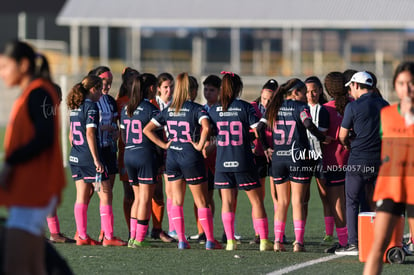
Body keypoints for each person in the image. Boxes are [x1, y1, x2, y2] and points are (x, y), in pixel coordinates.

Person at [0, 40, 66, 274]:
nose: (1, 72)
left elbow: (44, 137)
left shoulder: (38, 92)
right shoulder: (35, 91)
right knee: (34, 266)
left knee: (14, 266)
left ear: (24, 64)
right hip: (32, 189)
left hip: (34, 190)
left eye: (5, 66)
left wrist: (10, 162)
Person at [144, 72, 221, 250]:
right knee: (202, 201)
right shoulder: (196, 109)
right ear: (190, 90)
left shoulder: (169, 110)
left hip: (172, 157)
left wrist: (164, 145)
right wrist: (200, 145)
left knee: (176, 201)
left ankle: (181, 240)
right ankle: (210, 240)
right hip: (190, 157)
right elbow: (207, 126)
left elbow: (147, 129)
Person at [258, 78, 331, 252]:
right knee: (297, 201)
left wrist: (267, 148)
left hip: (278, 159)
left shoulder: (274, 107)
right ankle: (298, 242)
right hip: (298, 157)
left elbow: (260, 129)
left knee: (282, 202)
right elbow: (308, 124)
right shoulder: (301, 107)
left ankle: (277, 241)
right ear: (296, 92)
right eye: (304, 92)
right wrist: (323, 138)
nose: (307, 96)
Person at [209, 71, 273, 252]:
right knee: (257, 201)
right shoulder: (245, 107)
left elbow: (209, 130)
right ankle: (264, 241)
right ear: (238, 88)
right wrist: (262, 143)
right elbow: (258, 129)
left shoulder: (214, 109)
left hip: (222, 162)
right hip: (243, 159)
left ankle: (230, 241)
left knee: (227, 203)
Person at [363, 61, 414, 275]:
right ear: (395, 86)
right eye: (402, 83)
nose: (407, 88)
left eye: (411, 83)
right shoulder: (387, 114)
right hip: (391, 184)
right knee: (378, 246)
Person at [67, 75, 126, 247]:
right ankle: (108, 236)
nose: (102, 92)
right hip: (88, 157)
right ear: (93, 89)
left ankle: (82, 235)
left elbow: (72, 134)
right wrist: (96, 159)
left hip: (76, 156)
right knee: (106, 194)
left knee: (81, 197)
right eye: (100, 89)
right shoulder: (91, 107)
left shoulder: (75, 106)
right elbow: (91, 133)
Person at [336, 71, 389, 256]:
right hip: (379, 161)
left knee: (352, 201)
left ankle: (353, 243)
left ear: (357, 85)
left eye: (351, 86)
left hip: (358, 160)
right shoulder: (385, 105)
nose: (350, 90)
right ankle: (373, 240)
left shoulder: (353, 107)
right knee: (373, 202)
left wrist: (348, 143)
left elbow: (342, 136)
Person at [120, 73, 161, 248]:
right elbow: (157, 134)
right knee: (145, 198)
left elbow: (123, 136)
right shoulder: (151, 109)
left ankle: (133, 237)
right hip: (145, 155)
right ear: (151, 88)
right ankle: (139, 239)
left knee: (137, 197)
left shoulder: (126, 108)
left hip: (129, 154)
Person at [188, 74, 220, 244]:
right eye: (206, 89)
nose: (208, 93)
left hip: (218, 157)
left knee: (223, 195)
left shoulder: (221, 109)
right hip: (202, 157)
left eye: (212, 90)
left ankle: (229, 231)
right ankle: (203, 231)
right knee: (202, 196)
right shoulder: (202, 109)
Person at [322, 72, 351, 253]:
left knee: (337, 203)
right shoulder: (354, 105)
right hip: (355, 159)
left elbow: (322, 137)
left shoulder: (325, 108)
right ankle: (359, 237)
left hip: (333, 160)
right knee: (354, 201)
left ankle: (344, 241)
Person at [303, 76, 333, 245]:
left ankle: (329, 233)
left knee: (324, 196)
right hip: (304, 159)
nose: (311, 94)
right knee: (303, 197)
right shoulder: (300, 108)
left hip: (320, 158)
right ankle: (301, 234)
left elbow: (320, 136)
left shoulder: (322, 110)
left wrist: (321, 137)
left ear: (320, 90)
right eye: (307, 91)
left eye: (314, 90)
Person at [249, 78, 278, 245]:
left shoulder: (279, 109)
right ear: (261, 94)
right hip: (258, 155)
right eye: (265, 98)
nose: (267, 102)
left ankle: (277, 233)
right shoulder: (252, 108)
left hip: (274, 155)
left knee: (277, 197)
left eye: (271, 99)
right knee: (258, 197)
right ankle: (258, 233)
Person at [116, 67, 140, 231]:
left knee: (148, 192)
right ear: (126, 83)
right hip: (126, 151)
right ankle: (132, 228)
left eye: (136, 83)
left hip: (145, 152)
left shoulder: (146, 101)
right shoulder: (119, 102)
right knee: (129, 193)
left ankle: (151, 227)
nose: (134, 86)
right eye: (131, 83)